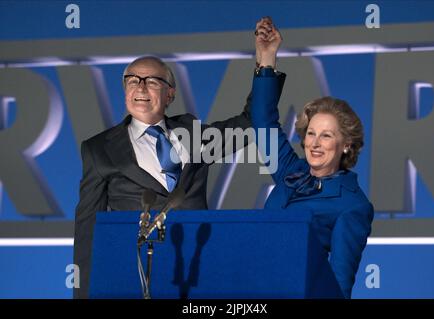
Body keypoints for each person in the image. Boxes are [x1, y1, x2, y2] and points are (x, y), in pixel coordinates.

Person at [73, 55, 286, 298]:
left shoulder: (192, 135)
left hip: (199, 271)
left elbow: (250, 123)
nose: (140, 87)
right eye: (132, 80)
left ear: (170, 95)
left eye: (151, 81)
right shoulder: (99, 149)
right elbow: (87, 230)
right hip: (137, 277)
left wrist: (266, 63)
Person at [251, 17, 374, 298]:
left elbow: (338, 283)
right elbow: (262, 121)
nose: (315, 144)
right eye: (311, 134)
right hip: (252, 288)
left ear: (346, 145)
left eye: (327, 136)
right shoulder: (289, 171)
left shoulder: (353, 205)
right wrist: (267, 57)